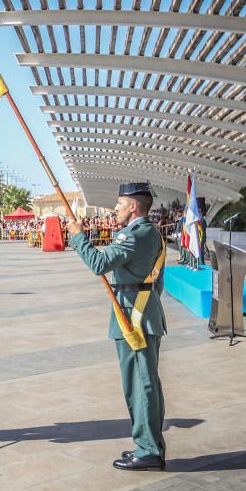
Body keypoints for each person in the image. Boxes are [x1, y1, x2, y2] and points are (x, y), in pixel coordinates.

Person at [67, 182, 168, 471]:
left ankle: (149, 450)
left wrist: (78, 237)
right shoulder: (149, 233)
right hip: (142, 312)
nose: (116, 209)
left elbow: (99, 263)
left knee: (141, 386)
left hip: (134, 319)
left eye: (120, 204)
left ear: (133, 206)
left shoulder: (134, 234)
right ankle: (147, 444)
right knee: (143, 384)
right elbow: (156, 281)